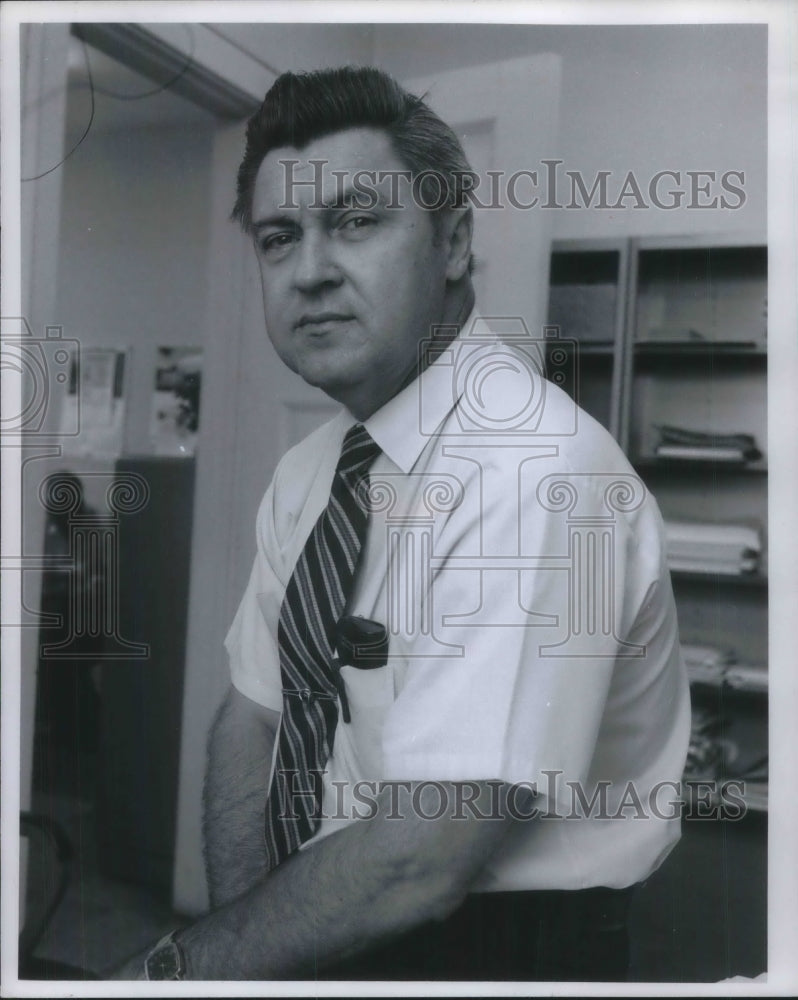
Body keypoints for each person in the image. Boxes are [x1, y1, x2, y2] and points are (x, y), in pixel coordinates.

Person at [121, 66, 690, 982]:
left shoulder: (537, 472)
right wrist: (255, 945)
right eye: (278, 238)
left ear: (454, 242)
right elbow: (253, 719)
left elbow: (425, 858)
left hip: (499, 947)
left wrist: (183, 972)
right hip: (325, 914)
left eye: (356, 221)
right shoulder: (313, 472)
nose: (309, 272)